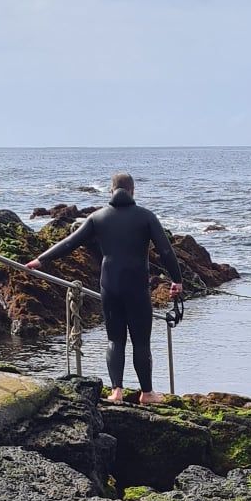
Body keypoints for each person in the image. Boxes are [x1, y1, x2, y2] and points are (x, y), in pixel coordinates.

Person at [26, 171, 184, 403]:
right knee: (140, 341)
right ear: (132, 191)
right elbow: (166, 250)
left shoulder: (97, 218)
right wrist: (177, 280)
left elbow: (69, 242)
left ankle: (116, 392)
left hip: (110, 286)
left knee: (114, 339)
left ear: (111, 190)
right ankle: (147, 393)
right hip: (137, 287)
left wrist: (41, 259)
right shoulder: (146, 217)